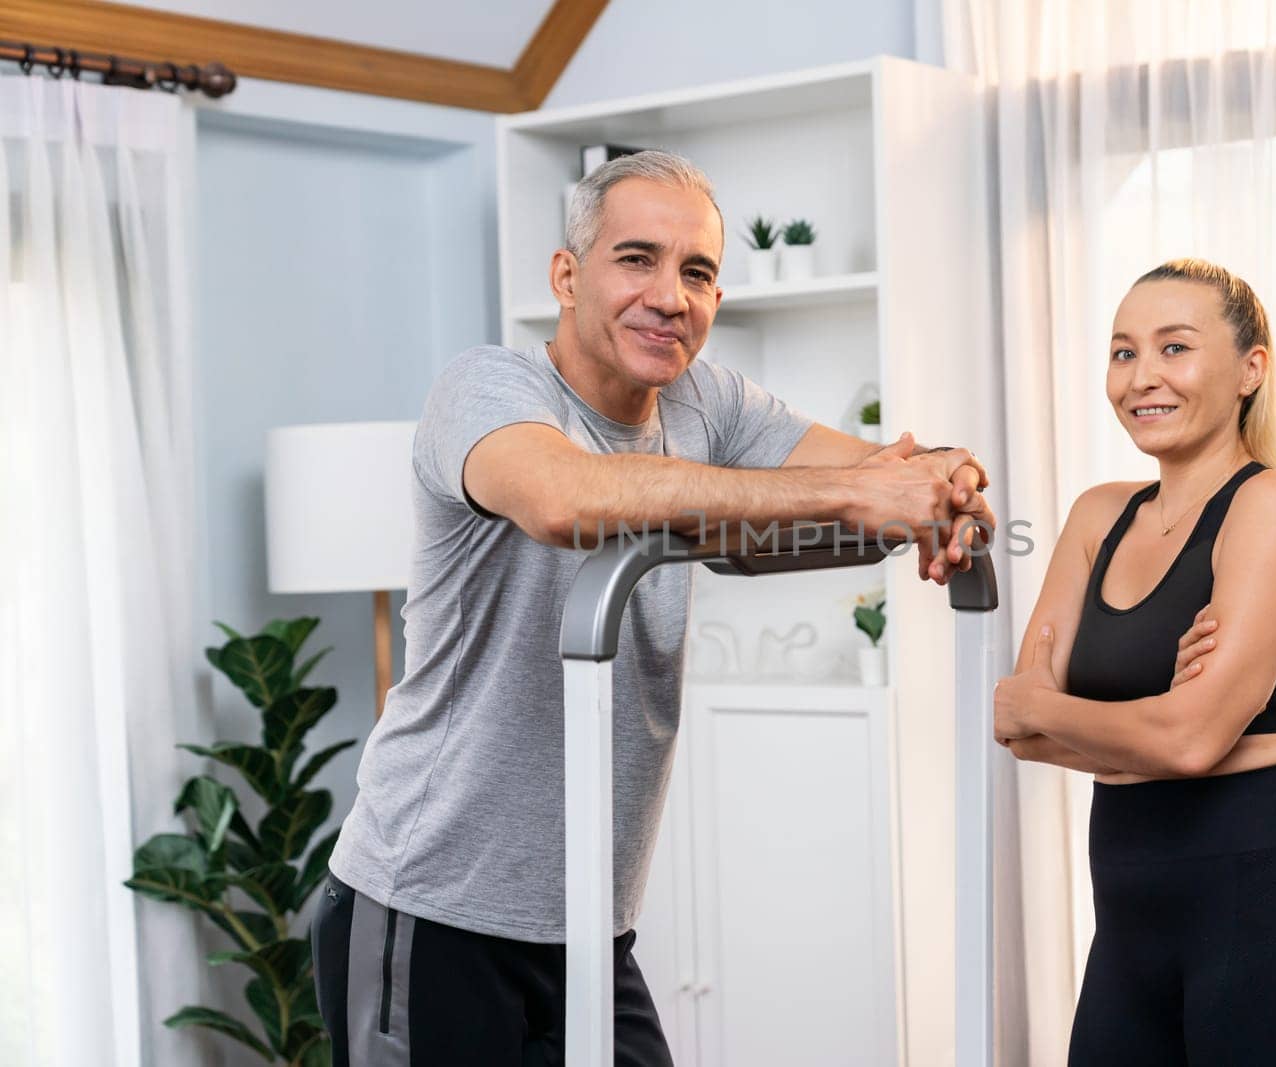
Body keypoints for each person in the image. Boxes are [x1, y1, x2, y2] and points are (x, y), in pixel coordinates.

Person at [310, 150, 993, 1066]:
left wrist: (939, 476)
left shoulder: (705, 402)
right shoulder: (488, 390)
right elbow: (568, 501)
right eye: (637, 258)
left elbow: (868, 477)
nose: (670, 295)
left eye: (698, 272)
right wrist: (861, 492)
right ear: (566, 274)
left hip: (589, 925)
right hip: (429, 906)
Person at [992, 258, 1276, 1064]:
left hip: (1265, 916)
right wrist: (1152, 720)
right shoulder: (1099, 515)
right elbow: (1015, 732)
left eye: (1174, 348)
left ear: (1249, 370)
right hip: (1127, 926)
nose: (1141, 377)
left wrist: (1051, 708)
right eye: (1123, 352)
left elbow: (1185, 738)